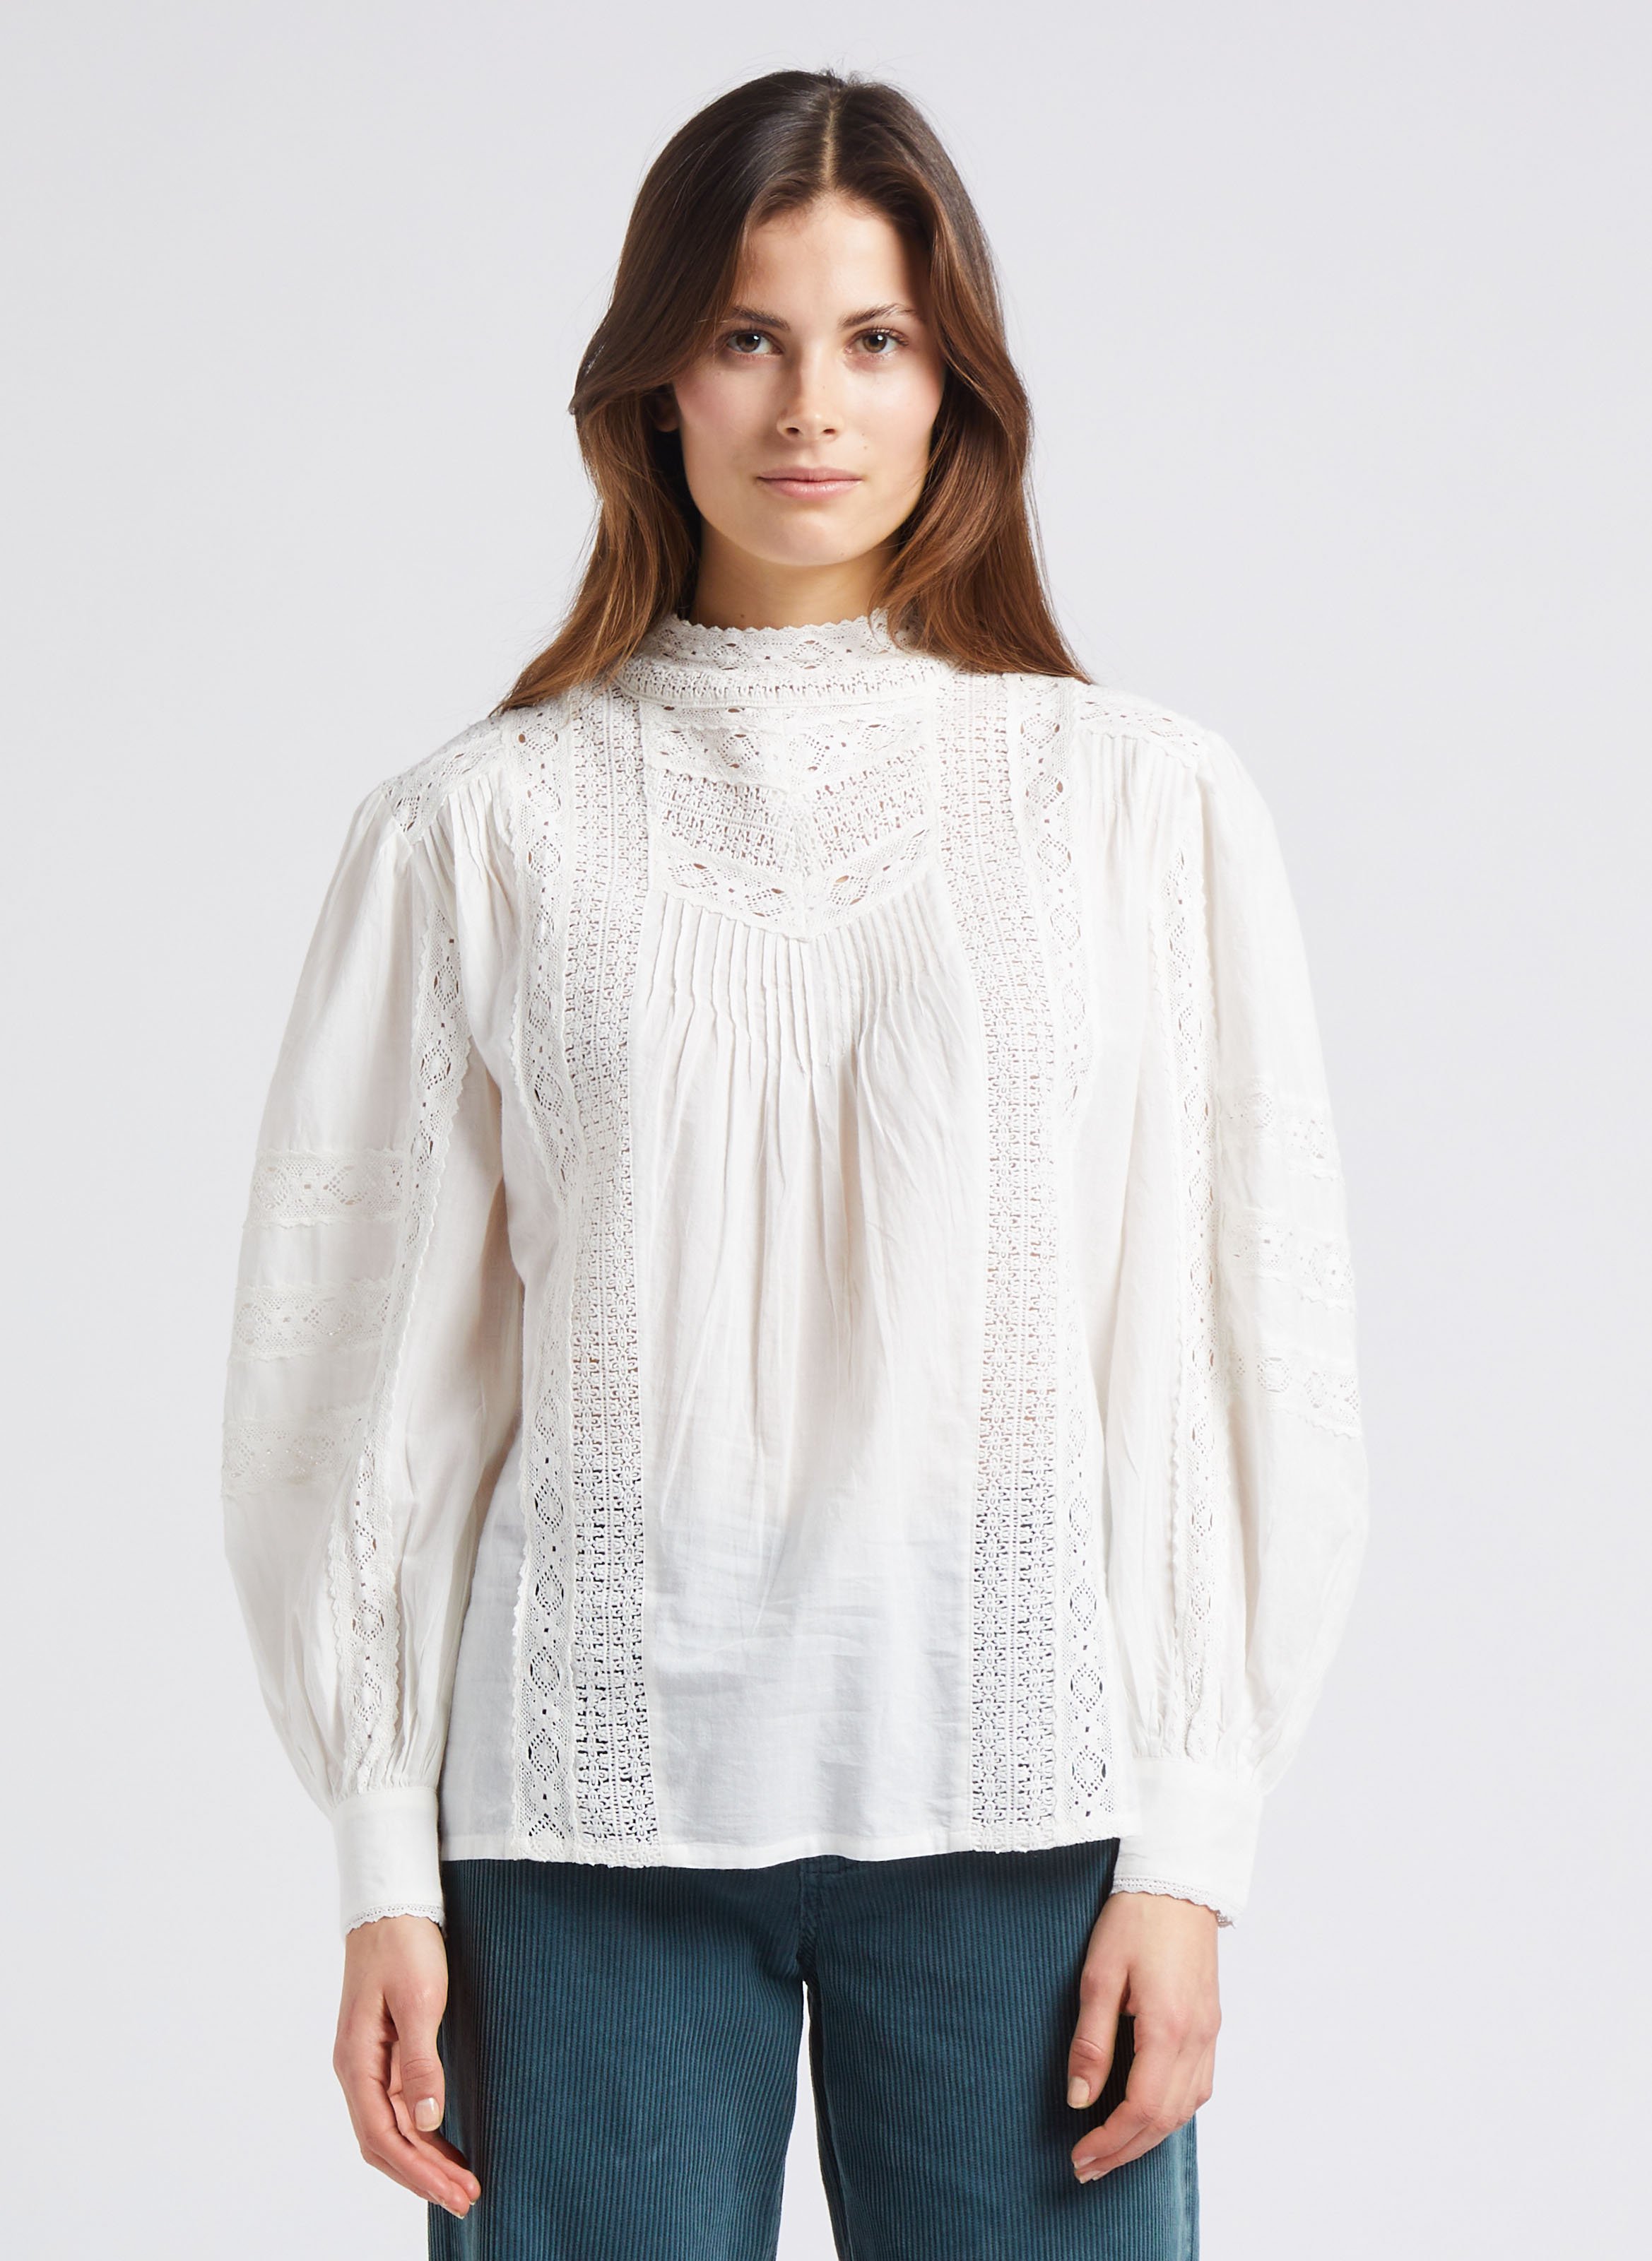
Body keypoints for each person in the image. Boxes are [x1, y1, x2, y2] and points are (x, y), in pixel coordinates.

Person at [221, 65, 1369, 2261]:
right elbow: (360, 1379)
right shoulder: (477, 831)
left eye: (874, 339)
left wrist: (1190, 1844)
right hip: (577, 1832)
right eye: (747, 335)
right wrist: (380, 1856)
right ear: (658, 378)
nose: (809, 405)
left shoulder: (1137, 809)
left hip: (1032, 1814)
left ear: (955, 387)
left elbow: (1236, 1330)